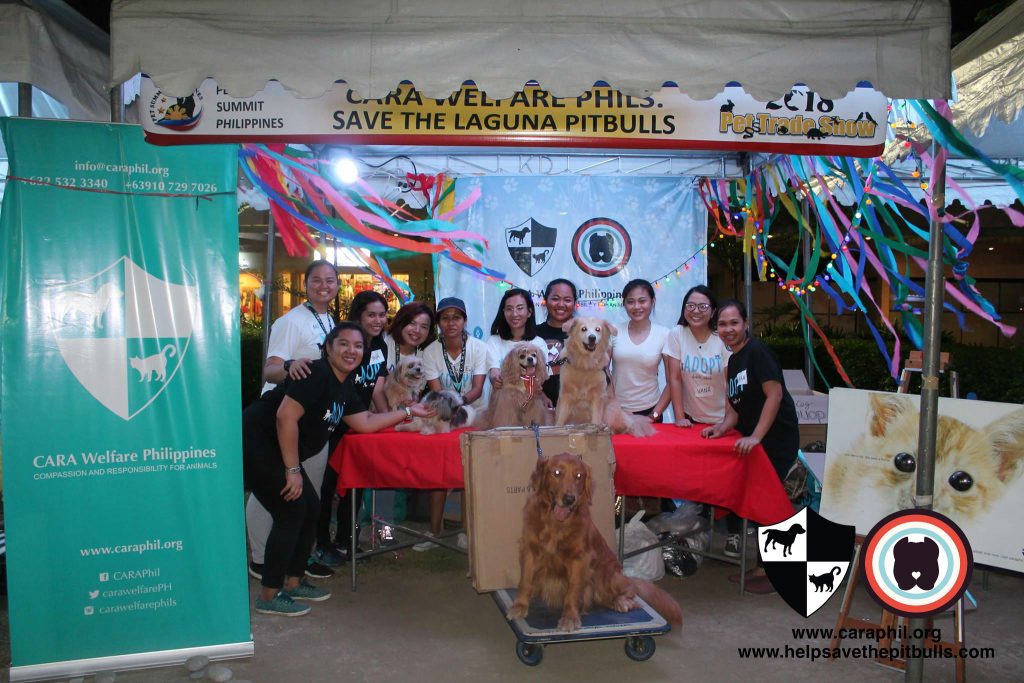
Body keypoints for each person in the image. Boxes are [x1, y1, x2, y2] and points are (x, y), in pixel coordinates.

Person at [243, 322, 434, 616]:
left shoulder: (345, 385)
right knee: (292, 510)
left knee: (311, 506)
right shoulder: (316, 373)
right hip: (257, 442)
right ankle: (269, 595)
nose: (351, 350)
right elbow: (284, 418)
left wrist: (409, 411)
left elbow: (365, 423)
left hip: (277, 448)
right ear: (328, 348)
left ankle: (294, 581)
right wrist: (293, 470)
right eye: (343, 344)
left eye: (358, 346)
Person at [246, 260, 340, 582]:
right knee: (273, 489)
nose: (323, 285)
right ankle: (260, 558)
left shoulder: (330, 321)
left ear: (338, 285)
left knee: (308, 491)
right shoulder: (291, 321)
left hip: (313, 421)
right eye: (316, 280)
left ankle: (300, 554)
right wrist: (290, 365)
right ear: (306, 283)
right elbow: (270, 370)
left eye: (330, 280)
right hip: (282, 415)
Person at [701, 299, 800, 593]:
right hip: (755, 442)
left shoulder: (758, 352)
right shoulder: (733, 361)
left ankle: (778, 575)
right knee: (760, 504)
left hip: (776, 440)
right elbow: (735, 407)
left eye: (734, 323)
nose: (728, 329)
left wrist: (756, 436)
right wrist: (720, 428)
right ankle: (762, 568)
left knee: (773, 505)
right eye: (722, 324)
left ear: (745, 324)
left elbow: (775, 395)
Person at [316, 290, 390, 566]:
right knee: (326, 488)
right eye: (371, 314)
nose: (377, 320)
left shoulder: (380, 348)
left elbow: (377, 389)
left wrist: (390, 420)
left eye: (382, 315)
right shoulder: (345, 346)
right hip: (334, 425)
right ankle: (321, 543)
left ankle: (346, 541)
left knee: (353, 485)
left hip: (359, 426)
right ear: (358, 315)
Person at [416, 296, 488, 551]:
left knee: (469, 476)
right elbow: (436, 393)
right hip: (442, 420)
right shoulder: (430, 352)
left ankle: (467, 533)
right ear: (438, 323)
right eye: (445, 318)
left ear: (465, 320)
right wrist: (451, 404)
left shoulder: (479, 347)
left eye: (456, 317)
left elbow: (478, 389)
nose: (451, 323)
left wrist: (456, 402)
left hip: (474, 418)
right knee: (440, 475)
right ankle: (434, 532)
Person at [663, 285, 730, 428]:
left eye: (703, 306)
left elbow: (730, 383)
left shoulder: (722, 337)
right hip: (691, 419)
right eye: (690, 305)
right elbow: (674, 379)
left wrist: (727, 422)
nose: (696, 311)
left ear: (713, 312)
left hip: (723, 419)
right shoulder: (677, 334)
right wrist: (680, 418)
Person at [610, 279, 671, 420]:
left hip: (650, 410)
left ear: (653, 301)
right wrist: (613, 407)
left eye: (642, 301)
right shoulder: (613, 331)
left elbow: (672, 381)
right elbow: (604, 371)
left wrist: (654, 415)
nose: (636, 306)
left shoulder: (664, 334)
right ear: (624, 304)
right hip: (617, 412)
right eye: (630, 302)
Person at [485, 288, 548, 389]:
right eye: (509, 309)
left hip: (530, 401)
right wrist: (495, 377)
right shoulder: (493, 341)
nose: (514, 314)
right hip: (503, 401)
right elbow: (494, 371)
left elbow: (539, 378)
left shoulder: (538, 343)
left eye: (520, 308)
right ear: (504, 312)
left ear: (529, 312)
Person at [535, 278, 577, 405]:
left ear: (575, 303)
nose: (561, 304)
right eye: (555, 298)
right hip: (541, 408)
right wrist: (540, 395)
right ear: (546, 301)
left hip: (578, 409)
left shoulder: (585, 334)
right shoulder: (533, 334)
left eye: (567, 300)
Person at [383, 302, 436, 374]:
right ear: (401, 322)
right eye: (412, 323)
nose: (417, 330)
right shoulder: (384, 344)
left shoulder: (428, 353)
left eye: (424, 327)